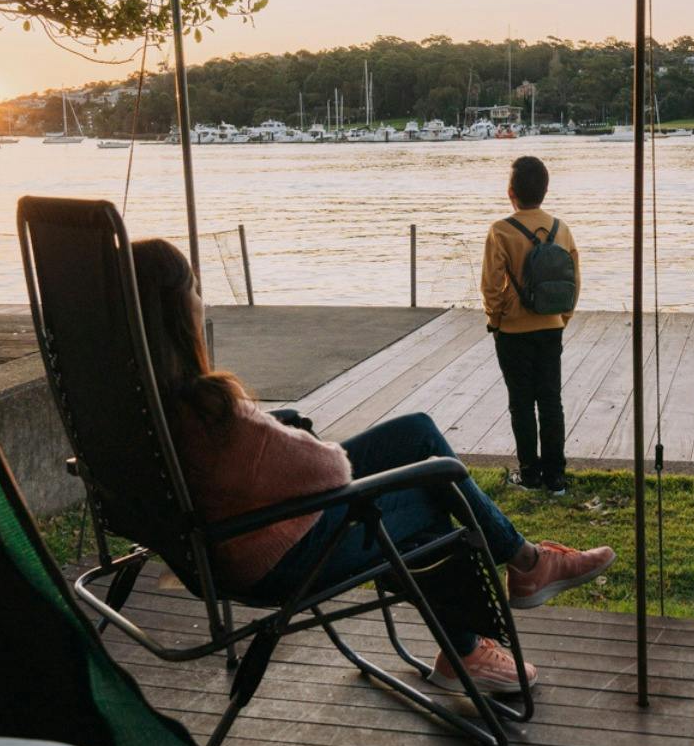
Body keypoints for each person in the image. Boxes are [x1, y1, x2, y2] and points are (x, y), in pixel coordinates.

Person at [129, 238, 614, 694]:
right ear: (174, 311)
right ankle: (474, 635)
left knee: (416, 432)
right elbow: (330, 473)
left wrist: (273, 429)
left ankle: (521, 568)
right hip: (277, 558)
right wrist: (284, 435)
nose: (202, 297)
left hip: (220, 545)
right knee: (432, 488)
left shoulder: (133, 405)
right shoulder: (210, 410)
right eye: (195, 287)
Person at [480, 155, 580, 495]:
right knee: (551, 400)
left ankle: (530, 473)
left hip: (513, 330)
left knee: (521, 402)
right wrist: (562, 317)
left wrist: (495, 319)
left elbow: (491, 286)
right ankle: (556, 476)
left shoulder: (500, 231)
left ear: (511, 192)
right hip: (551, 326)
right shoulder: (561, 228)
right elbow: (574, 278)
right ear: (546, 190)